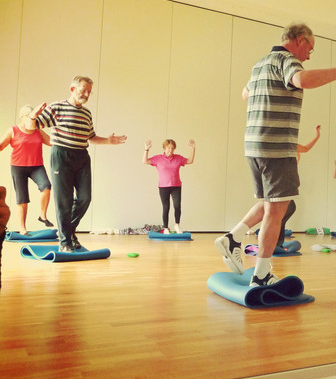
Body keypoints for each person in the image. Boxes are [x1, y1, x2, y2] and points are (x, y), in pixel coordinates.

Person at [215, 22, 336, 287]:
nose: (309, 56)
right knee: (276, 211)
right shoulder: (286, 59)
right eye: (310, 49)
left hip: (253, 146)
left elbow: (245, 94)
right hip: (276, 146)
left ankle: (234, 237)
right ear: (300, 40)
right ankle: (261, 274)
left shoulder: (260, 64)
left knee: (272, 203)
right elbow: (302, 80)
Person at [27, 76, 127, 252]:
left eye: (89, 92)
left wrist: (108, 141)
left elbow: (91, 137)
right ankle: (65, 242)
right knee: (63, 200)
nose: (86, 94)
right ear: (72, 89)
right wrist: (32, 116)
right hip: (61, 155)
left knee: (84, 198)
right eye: (83, 90)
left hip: (81, 156)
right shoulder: (57, 107)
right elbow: (33, 126)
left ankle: (69, 230)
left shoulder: (86, 113)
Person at [0, 105, 53, 235]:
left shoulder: (38, 131)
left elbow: (52, 142)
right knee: (22, 198)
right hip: (18, 167)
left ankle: (42, 215)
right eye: (30, 117)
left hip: (36, 166)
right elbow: (1, 145)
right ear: (23, 117)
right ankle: (22, 228)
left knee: (46, 186)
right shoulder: (13, 130)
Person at [276, 125, 321, 249]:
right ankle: (274, 240)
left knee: (285, 212)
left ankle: (277, 242)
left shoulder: (292, 146)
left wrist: (317, 136)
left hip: (288, 184)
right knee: (287, 210)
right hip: (282, 183)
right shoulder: (284, 147)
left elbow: (306, 148)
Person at [143, 138, 195, 234]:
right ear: (164, 148)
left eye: (172, 148)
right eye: (168, 148)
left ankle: (177, 225)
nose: (170, 150)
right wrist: (146, 149)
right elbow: (145, 161)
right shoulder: (158, 158)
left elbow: (190, 161)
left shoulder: (178, 158)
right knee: (166, 207)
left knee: (177, 206)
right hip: (163, 187)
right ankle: (166, 227)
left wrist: (193, 148)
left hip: (176, 186)